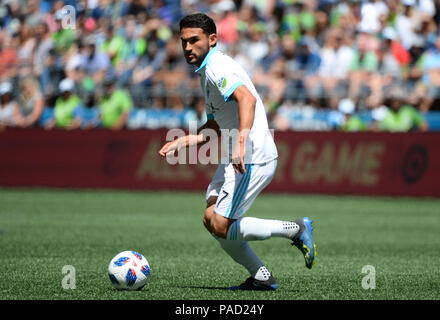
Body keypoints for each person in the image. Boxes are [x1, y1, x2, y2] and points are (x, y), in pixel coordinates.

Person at [158, 13, 316, 291]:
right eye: (183, 41)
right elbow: (218, 123)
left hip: (251, 155)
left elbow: (247, 98)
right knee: (211, 219)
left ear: (212, 39)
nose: (187, 47)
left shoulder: (218, 66)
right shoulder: (207, 71)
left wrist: (241, 141)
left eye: (194, 40)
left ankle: (296, 230)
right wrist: (187, 141)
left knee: (220, 224)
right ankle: (261, 277)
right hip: (237, 152)